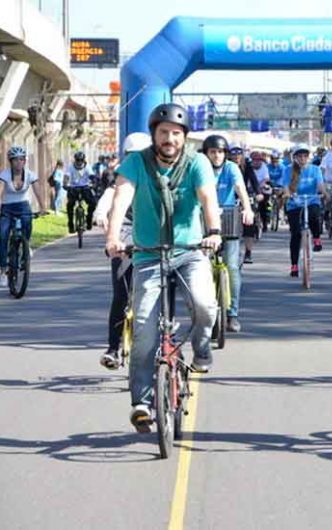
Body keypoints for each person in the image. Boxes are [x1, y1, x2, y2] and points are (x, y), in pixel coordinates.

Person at [105, 103, 222, 432]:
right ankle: (141, 402)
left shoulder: (197, 162)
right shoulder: (136, 163)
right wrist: (114, 237)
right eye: (163, 133)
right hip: (148, 254)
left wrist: (212, 233)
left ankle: (201, 349)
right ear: (154, 134)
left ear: (184, 137)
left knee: (204, 305)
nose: (169, 139)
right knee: (143, 327)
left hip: (190, 251)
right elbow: (121, 200)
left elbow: (207, 199)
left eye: (176, 133)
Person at [93, 132, 152, 368]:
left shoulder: (157, 179)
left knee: (162, 293)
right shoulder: (120, 177)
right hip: (125, 239)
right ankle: (113, 349)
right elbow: (110, 197)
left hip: (153, 241)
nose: (136, 161)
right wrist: (100, 214)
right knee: (121, 295)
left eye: (140, 156)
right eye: (131, 156)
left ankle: (168, 344)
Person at [202, 134, 255, 332]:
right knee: (201, 269)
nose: (217, 156)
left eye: (221, 152)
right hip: (205, 219)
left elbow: (240, 188)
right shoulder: (200, 168)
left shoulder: (231, 168)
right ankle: (204, 311)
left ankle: (232, 313)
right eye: (213, 152)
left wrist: (247, 209)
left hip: (229, 218)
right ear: (206, 153)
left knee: (232, 267)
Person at [0, 146, 48, 288]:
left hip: (23, 206)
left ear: (25, 161)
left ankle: (25, 248)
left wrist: (42, 207)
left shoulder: (30, 175)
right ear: (11, 161)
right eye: (15, 160)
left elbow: (38, 191)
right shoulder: (5, 175)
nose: (19, 163)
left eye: (21, 159)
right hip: (7, 207)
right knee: (2, 235)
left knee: (27, 223)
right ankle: (3, 269)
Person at [279, 144, 327, 277]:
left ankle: (317, 238)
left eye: (305, 156)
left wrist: (323, 193)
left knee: (315, 215)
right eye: (299, 156)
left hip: (311, 200)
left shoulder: (315, 169)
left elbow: (320, 184)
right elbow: (285, 186)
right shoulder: (288, 170)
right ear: (294, 157)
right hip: (294, 203)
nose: (302, 158)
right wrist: (288, 194)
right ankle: (294, 265)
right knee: (295, 234)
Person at [228, 143, 262, 264]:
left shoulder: (247, 166)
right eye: (233, 153)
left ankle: (248, 252)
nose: (236, 156)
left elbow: (253, 180)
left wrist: (258, 193)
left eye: (239, 153)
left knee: (248, 224)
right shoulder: (226, 166)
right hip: (228, 196)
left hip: (244, 195)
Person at [64, 151, 98, 233]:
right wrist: (65, 184)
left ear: (83, 160)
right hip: (73, 188)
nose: (79, 162)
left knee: (93, 203)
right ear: (75, 160)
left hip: (85, 187)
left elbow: (91, 175)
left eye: (81, 160)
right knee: (70, 205)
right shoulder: (70, 167)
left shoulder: (87, 167)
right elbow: (66, 177)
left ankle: (89, 219)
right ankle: (71, 224)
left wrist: (94, 182)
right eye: (77, 160)